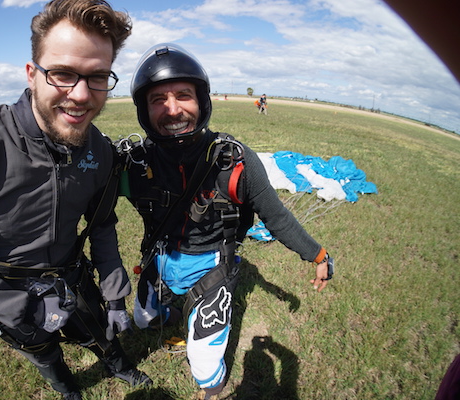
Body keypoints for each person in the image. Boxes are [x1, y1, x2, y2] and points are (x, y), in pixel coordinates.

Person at [0, 1, 151, 399]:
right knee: (42, 352)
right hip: (6, 292)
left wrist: (113, 294)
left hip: (73, 278)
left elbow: (102, 224)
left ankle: (117, 365)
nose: (80, 95)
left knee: (98, 330)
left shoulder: (99, 150)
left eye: (97, 77)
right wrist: (11, 306)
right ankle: (67, 389)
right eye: (62, 74)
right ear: (32, 74)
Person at [120, 43, 334, 400]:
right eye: (158, 99)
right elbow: (85, 188)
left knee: (204, 368)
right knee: (143, 321)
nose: (172, 109)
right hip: (160, 259)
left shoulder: (234, 161)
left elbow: (276, 216)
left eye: (183, 95)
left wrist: (317, 254)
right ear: (144, 109)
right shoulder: (135, 163)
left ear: (202, 101)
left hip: (211, 267)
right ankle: (178, 311)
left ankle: (211, 381)